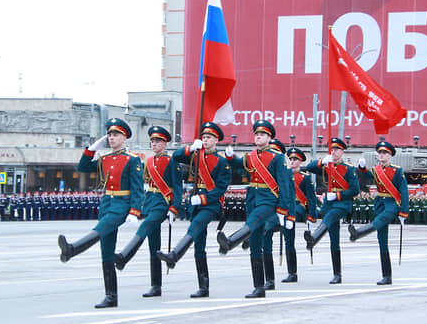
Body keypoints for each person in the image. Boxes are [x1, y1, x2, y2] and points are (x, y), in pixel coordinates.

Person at [58, 118, 143, 308]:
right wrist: (91, 149)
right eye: (110, 135)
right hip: (106, 203)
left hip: (122, 204)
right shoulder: (104, 159)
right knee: (106, 251)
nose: (112, 138)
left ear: (124, 137)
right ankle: (111, 296)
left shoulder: (132, 159)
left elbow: (138, 188)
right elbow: (82, 167)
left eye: (116, 135)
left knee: (100, 228)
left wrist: (135, 212)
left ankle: (72, 249)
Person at [218, 120, 293, 298]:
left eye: (262, 134)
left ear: (269, 138)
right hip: (253, 199)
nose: (258, 137)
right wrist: (230, 156)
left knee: (253, 222)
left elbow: (285, 185)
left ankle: (230, 242)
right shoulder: (250, 156)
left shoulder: (277, 158)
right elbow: (238, 164)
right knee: (256, 245)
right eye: (257, 134)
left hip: (268, 200)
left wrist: (284, 211)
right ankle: (259, 287)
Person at [156, 122, 231, 298]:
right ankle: (203, 287)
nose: (205, 140)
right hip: (196, 203)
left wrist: (203, 198)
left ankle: (174, 255)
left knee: (195, 226)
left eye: (209, 138)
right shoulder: (196, 155)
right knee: (199, 245)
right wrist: (190, 148)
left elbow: (220, 188)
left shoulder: (222, 162)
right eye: (203, 137)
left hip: (211, 203)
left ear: (216, 140)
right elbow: (176, 156)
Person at [114, 126, 182, 298]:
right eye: (152, 141)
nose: (154, 144)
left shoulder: (171, 160)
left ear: (164, 143)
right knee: (154, 247)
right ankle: (156, 285)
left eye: (157, 141)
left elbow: (178, 187)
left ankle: (125, 255)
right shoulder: (149, 161)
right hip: (150, 201)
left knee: (145, 226)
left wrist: (174, 208)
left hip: (162, 202)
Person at [348, 141, 409, 285]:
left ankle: (359, 233)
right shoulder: (376, 170)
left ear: (390, 155)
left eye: (385, 153)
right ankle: (386, 276)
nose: (382, 155)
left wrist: (404, 212)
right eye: (380, 153)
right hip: (380, 203)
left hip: (392, 204)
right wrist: (362, 168)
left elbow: (404, 192)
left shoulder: (397, 170)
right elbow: (368, 176)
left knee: (381, 220)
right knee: (382, 241)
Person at [302, 137, 359, 284]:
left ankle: (314, 238)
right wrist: (322, 162)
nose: (334, 152)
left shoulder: (349, 168)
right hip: (329, 204)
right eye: (332, 150)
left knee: (330, 217)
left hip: (342, 204)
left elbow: (355, 190)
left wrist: (338, 195)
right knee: (334, 240)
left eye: (337, 150)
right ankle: (337, 274)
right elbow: (309, 167)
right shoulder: (327, 165)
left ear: (342, 151)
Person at [281, 147, 318, 283]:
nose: (292, 161)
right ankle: (292, 273)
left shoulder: (305, 178)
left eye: (295, 159)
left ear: (301, 161)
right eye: (290, 159)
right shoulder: (284, 176)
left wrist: (311, 216)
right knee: (288, 241)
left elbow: (311, 199)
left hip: (299, 208)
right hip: (286, 209)